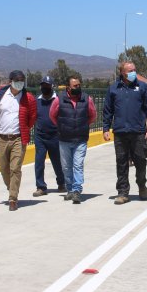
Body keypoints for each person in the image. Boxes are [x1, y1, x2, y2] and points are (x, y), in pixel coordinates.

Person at [0, 70, 37, 211]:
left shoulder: (28, 98)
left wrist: (24, 129)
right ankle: (11, 188)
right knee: (4, 168)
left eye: (22, 81)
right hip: (2, 138)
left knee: (15, 168)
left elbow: (32, 117)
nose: (20, 83)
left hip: (18, 138)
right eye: (17, 81)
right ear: (10, 81)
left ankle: (12, 198)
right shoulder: (0, 95)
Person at [102, 60, 147, 205]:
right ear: (122, 72)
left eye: (134, 70)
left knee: (140, 161)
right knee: (121, 163)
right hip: (120, 132)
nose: (133, 72)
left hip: (138, 132)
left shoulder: (142, 87)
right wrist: (106, 129)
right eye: (130, 70)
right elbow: (108, 110)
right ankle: (123, 192)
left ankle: (142, 185)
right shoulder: (114, 89)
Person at [49, 76, 97, 204]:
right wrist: (62, 126)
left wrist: (83, 125)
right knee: (66, 167)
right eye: (75, 86)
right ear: (68, 87)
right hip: (64, 139)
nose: (78, 87)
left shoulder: (87, 99)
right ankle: (69, 189)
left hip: (80, 139)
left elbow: (92, 116)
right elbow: (52, 116)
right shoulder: (59, 99)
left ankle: (76, 190)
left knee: (78, 165)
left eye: (79, 85)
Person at [33, 76, 65, 197]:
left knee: (57, 162)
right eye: (43, 85)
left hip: (55, 136)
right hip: (40, 136)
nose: (44, 88)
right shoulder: (37, 100)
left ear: (52, 86)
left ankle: (61, 183)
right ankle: (40, 187)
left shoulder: (58, 100)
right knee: (39, 162)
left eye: (47, 85)